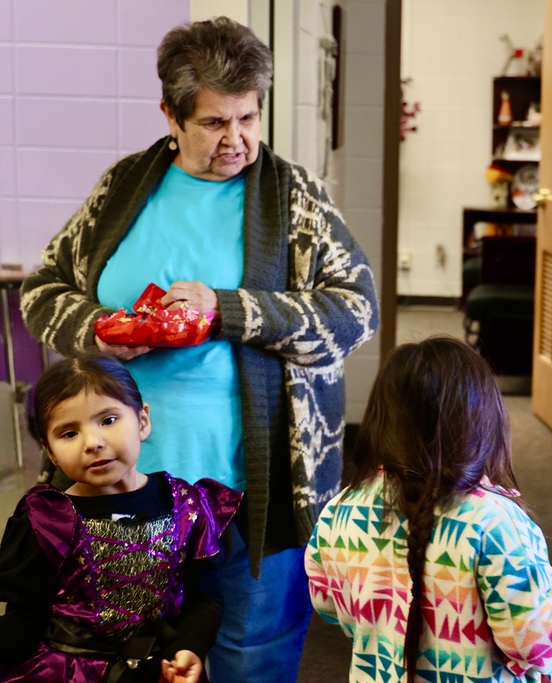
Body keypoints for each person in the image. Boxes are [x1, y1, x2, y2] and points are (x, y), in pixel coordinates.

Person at [18, 16, 379, 682]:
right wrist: (96, 329)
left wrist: (230, 308)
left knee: (250, 660)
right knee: (121, 662)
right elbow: (42, 289)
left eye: (250, 117)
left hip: (251, 497)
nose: (237, 140)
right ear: (171, 114)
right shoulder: (124, 187)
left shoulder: (294, 197)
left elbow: (356, 310)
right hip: (119, 490)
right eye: (215, 122)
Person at [305, 337, 552, 682]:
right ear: (484, 421)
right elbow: (536, 646)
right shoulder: (496, 524)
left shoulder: (340, 509)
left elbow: (327, 604)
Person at [0, 352, 243, 683]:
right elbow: (24, 617)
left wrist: (190, 647)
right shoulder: (46, 518)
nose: (94, 443)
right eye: (69, 433)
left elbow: (205, 594)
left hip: (162, 672)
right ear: (51, 451)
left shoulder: (186, 503)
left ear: (142, 421)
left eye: (108, 420)